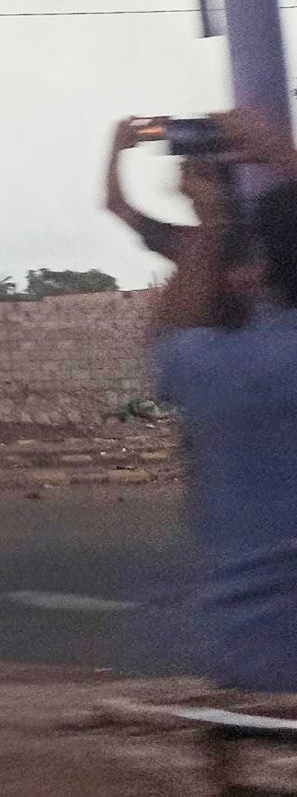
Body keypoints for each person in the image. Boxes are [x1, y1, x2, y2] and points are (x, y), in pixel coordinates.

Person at [148, 108, 297, 689]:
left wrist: (208, 221)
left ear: (258, 272)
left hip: (253, 668)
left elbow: (168, 344)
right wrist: (283, 158)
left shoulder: (217, 368)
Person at [107, 117, 188, 261]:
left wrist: (116, 148)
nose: (187, 186)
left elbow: (115, 204)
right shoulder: (193, 243)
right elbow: (115, 205)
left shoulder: (196, 245)